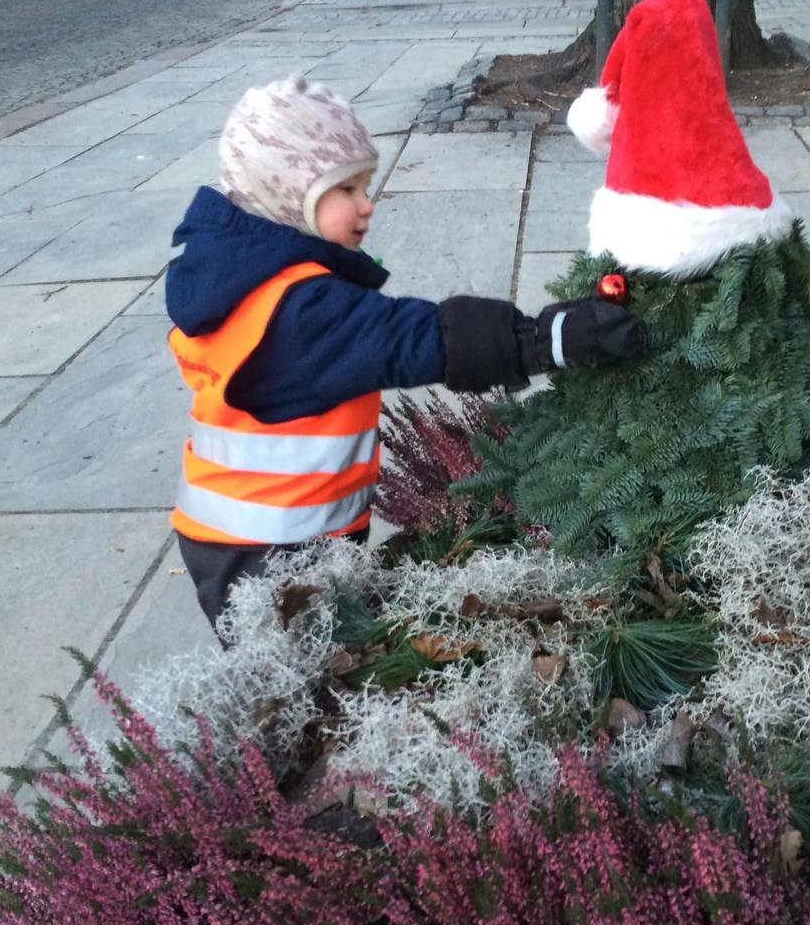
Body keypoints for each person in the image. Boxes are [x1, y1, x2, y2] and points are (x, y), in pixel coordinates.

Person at [167, 75, 641, 630]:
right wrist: (547, 339)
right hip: (267, 550)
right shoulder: (297, 310)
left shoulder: (241, 274)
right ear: (287, 192)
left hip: (248, 533)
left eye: (364, 186)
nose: (366, 206)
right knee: (299, 690)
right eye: (345, 190)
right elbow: (412, 338)